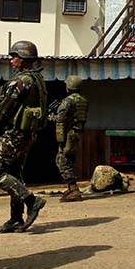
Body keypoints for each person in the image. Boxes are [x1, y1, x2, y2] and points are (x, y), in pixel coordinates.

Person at [0, 40, 48, 232]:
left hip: (15, 134)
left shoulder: (21, 81)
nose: (11, 61)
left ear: (24, 59)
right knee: (14, 174)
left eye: (14, 57)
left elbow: (4, 110)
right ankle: (15, 218)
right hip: (27, 135)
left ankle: (32, 201)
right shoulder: (37, 79)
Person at [53, 74, 89, 202]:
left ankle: (74, 189)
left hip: (68, 134)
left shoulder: (68, 101)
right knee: (69, 159)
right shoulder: (83, 100)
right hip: (76, 133)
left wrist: (51, 117)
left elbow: (61, 119)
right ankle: (70, 188)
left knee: (62, 161)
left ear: (69, 87)